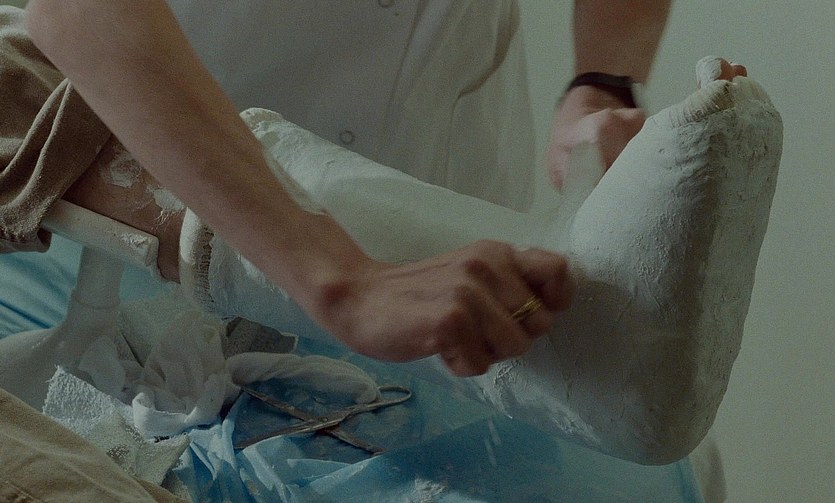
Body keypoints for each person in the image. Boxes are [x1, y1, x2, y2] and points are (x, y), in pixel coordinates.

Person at [4, 0, 675, 377]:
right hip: (177, 181)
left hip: (442, 164)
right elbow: (80, 10)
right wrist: (342, 282)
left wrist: (601, 81)